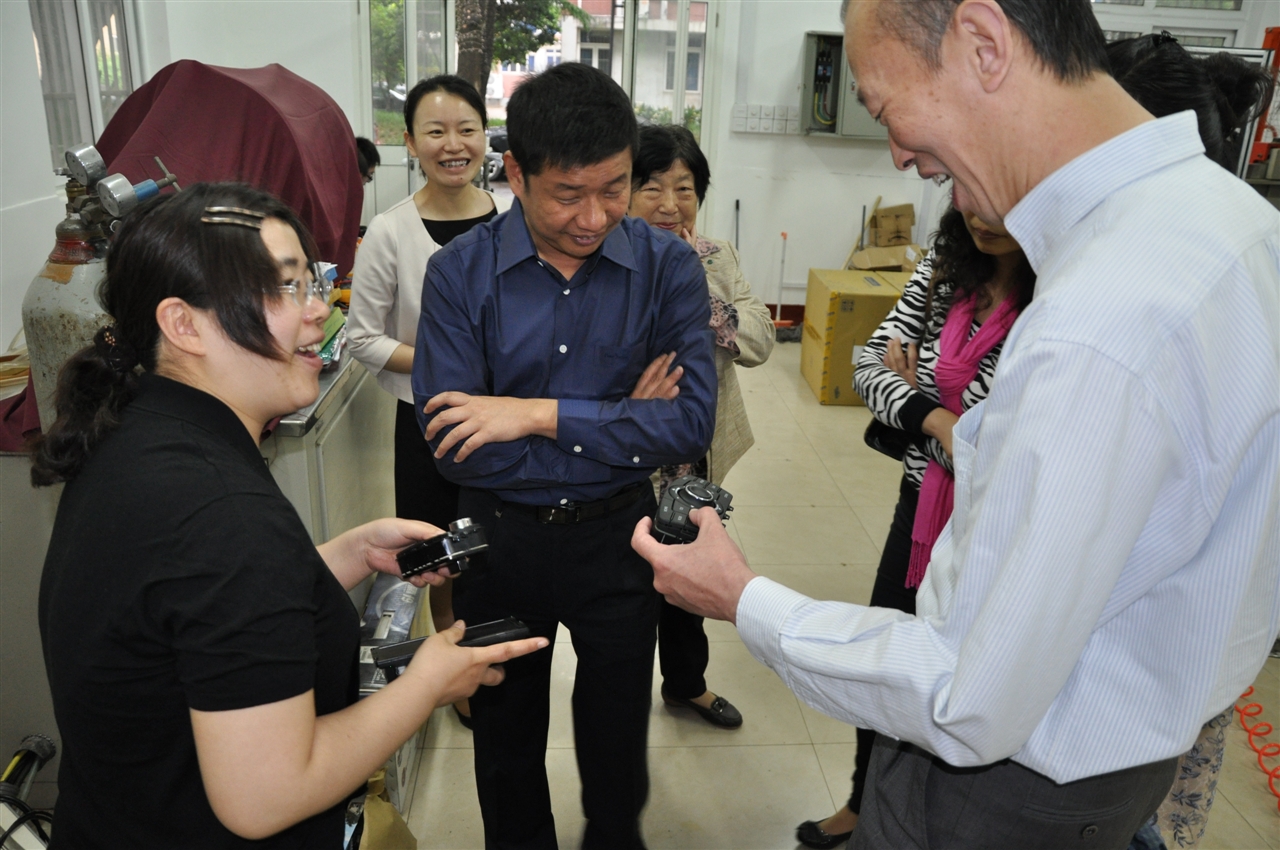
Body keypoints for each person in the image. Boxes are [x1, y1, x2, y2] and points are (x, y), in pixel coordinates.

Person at [632, 2, 1280, 848]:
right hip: (1117, 764)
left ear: (982, 44)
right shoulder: (1233, 223)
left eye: (884, 107)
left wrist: (744, 598)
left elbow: (963, 695)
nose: (899, 154)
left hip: (1004, 792)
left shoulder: (1101, 317)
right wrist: (970, 433)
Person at [32, 182, 547, 849]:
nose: (319, 312)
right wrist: (426, 685)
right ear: (183, 324)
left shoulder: (142, 433)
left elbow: (193, 615)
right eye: (283, 288)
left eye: (313, 283)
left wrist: (349, 555)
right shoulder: (221, 513)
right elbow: (266, 795)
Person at [412, 63, 716, 850]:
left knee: (617, 740)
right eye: (568, 194)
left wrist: (529, 415)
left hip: (620, 535)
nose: (595, 216)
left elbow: (689, 425)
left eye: (614, 188)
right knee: (504, 738)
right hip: (499, 540)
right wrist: (622, 420)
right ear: (515, 174)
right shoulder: (459, 275)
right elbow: (454, 450)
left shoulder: (667, 268)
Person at [795, 206, 1034, 848]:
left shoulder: (1056, 295)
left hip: (998, 523)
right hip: (921, 505)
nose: (982, 212)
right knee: (887, 657)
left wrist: (918, 402)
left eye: (1000, 198)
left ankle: (934, 814)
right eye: (966, 192)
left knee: (967, 672)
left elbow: (1014, 441)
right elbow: (867, 369)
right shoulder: (943, 272)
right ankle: (863, 801)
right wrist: (937, 419)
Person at [348, 75, 510, 729]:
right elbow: (362, 338)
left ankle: (494, 650)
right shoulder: (391, 232)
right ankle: (454, 667)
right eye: (435, 131)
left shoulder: (514, 221)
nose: (454, 144)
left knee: (499, 547)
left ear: (485, 137)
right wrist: (446, 365)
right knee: (443, 551)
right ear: (410, 143)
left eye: (467, 129)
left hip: (507, 420)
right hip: (427, 424)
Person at [627, 123, 775, 729]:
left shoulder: (717, 256)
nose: (670, 204)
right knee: (626, 580)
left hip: (696, 449)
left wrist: (697, 281)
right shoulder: (603, 259)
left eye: (684, 189)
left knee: (690, 562)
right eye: (652, 187)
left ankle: (686, 684)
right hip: (626, 450)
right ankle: (621, 696)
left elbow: (760, 338)